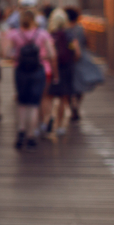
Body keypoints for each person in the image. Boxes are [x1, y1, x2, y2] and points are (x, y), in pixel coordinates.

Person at [5, 9, 57, 150]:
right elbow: (51, 54)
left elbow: (6, 53)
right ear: (35, 20)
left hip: (20, 70)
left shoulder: (14, 34)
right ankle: (31, 136)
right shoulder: (42, 34)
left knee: (22, 103)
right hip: (37, 70)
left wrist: (18, 56)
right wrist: (41, 57)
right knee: (34, 104)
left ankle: (21, 130)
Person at [66, 6, 104, 118]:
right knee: (80, 85)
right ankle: (76, 105)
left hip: (68, 61)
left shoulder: (65, 29)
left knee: (68, 85)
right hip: (81, 59)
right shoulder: (80, 28)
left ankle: (71, 106)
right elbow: (88, 43)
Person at [46, 8, 77, 136]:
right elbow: (77, 52)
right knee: (64, 97)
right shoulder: (69, 34)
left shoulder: (49, 35)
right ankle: (60, 126)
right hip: (66, 68)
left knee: (50, 96)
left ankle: (47, 121)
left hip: (52, 68)